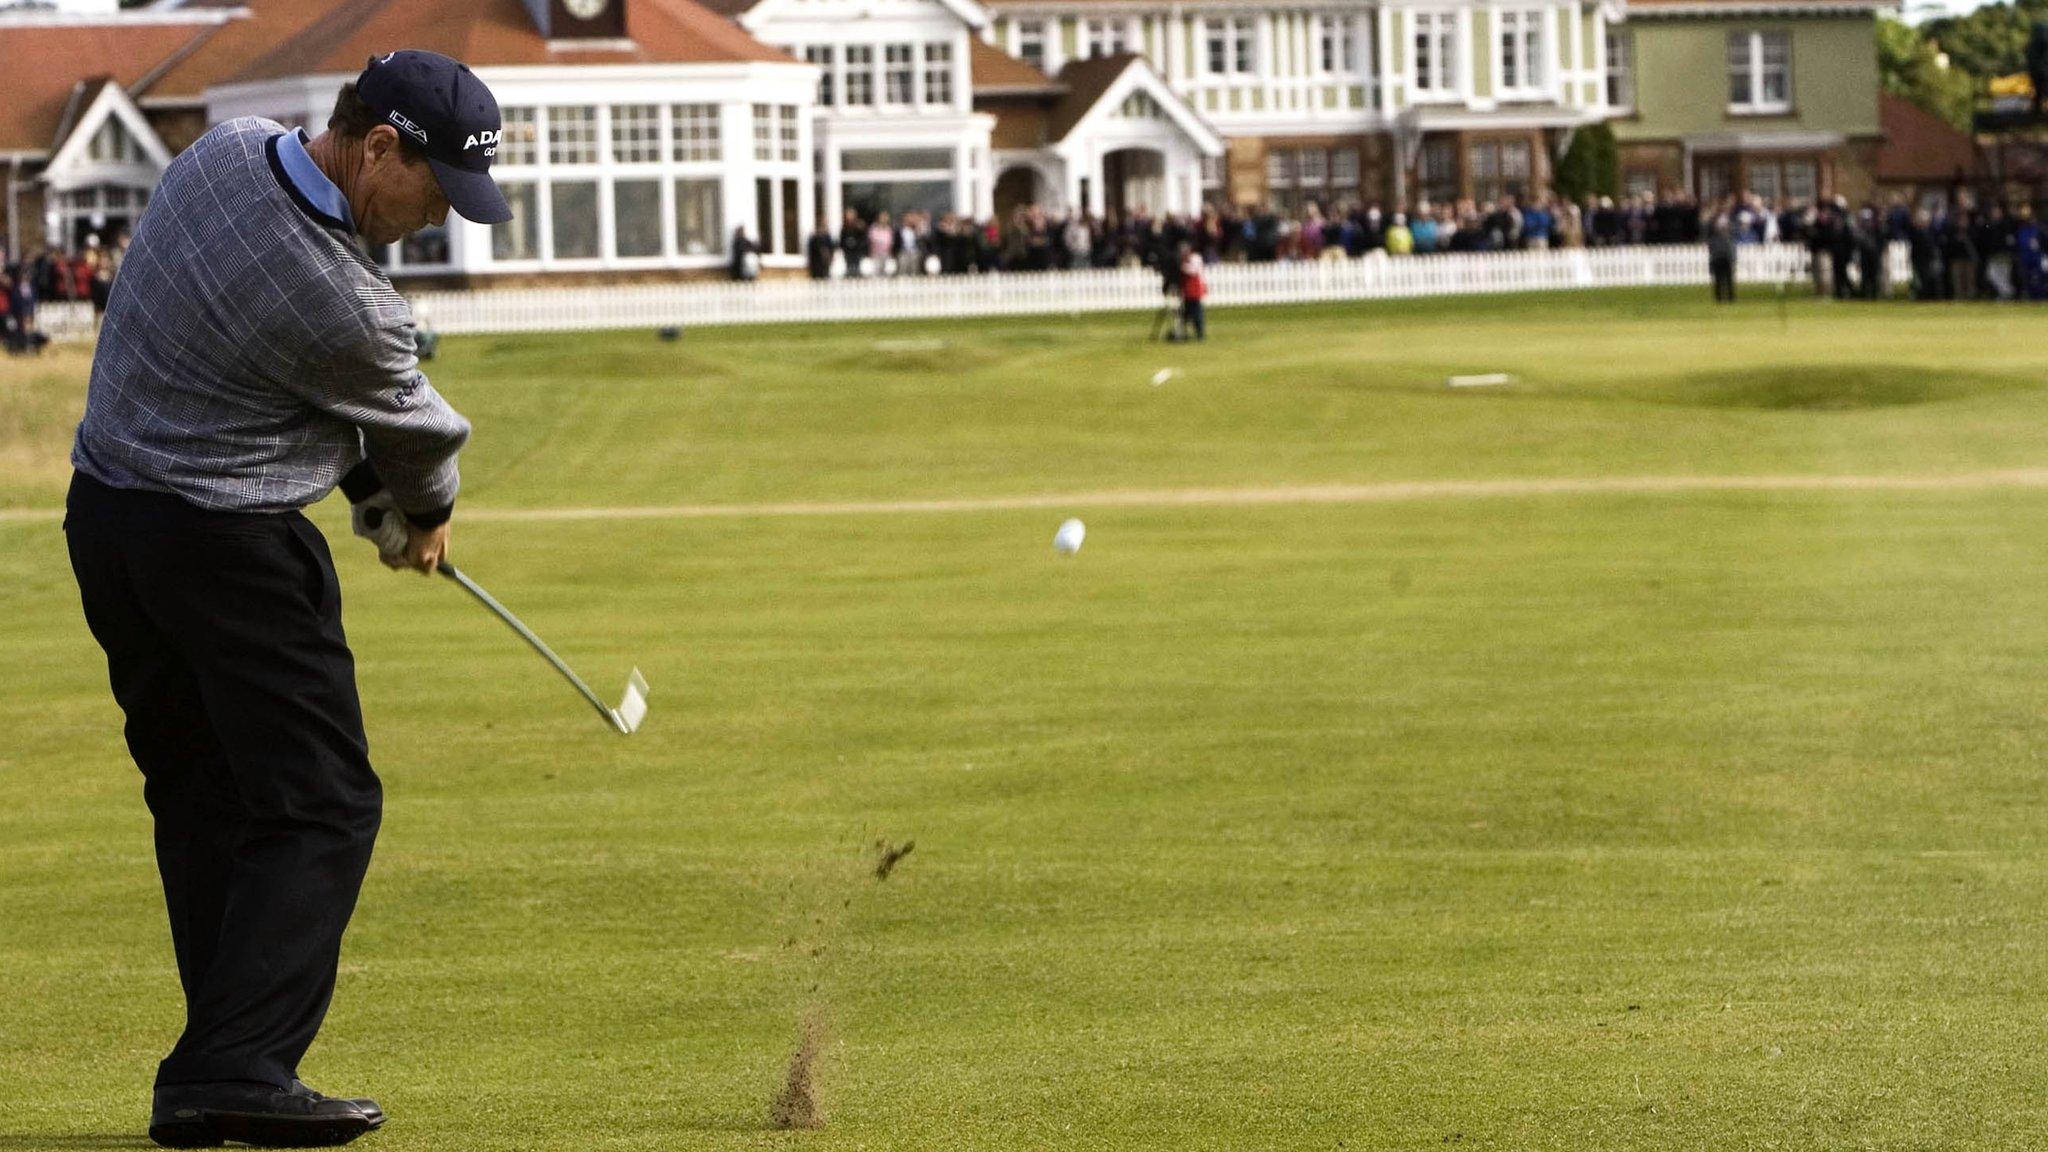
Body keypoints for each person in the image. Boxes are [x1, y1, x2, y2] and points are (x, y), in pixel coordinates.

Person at [64, 49, 509, 1148]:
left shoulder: (215, 156)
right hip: (226, 552)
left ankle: (211, 1072)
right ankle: (238, 1062)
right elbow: (421, 436)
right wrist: (419, 515)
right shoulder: (349, 302)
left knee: (204, 790)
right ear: (376, 150)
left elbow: (259, 365)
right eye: (434, 189)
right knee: (321, 802)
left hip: (107, 526)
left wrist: (363, 493)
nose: (437, 216)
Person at [1177, 241, 1207, 341]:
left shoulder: (1195, 258)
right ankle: (1183, 332)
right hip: (1187, 291)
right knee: (1185, 313)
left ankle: (1200, 333)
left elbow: (1193, 271)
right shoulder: (1185, 261)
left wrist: (1182, 265)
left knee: (1197, 313)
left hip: (1195, 290)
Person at [1707, 216, 1737, 304]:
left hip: (1725, 260)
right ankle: (1720, 298)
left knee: (1728, 280)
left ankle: (1729, 298)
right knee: (1719, 281)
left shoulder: (1728, 238)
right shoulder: (1715, 238)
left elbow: (1731, 250)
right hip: (1718, 260)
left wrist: (1732, 259)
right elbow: (1711, 250)